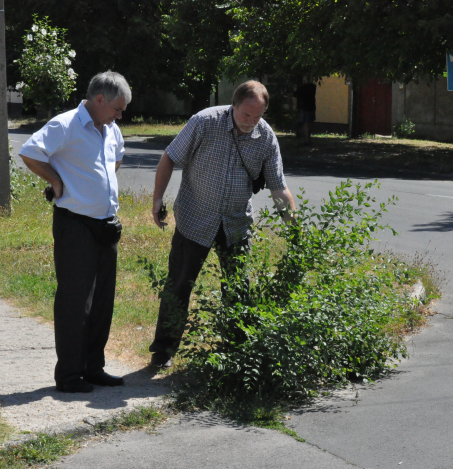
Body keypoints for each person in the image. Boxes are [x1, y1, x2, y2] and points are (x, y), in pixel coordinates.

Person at [149, 80, 296, 368]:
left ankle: (237, 351)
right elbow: (170, 157)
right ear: (234, 105)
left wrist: (295, 228)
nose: (251, 122)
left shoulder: (265, 137)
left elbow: (279, 187)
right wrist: (157, 200)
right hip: (195, 218)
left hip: (236, 224)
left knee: (238, 289)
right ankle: (163, 350)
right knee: (179, 284)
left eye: (258, 116)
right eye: (246, 115)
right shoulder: (204, 122)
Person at [19, 71, 130, 393]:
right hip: (75, 224)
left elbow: (116, 162)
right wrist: (57, 182)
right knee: (74, 302)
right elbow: (30, 152)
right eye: (117, 108)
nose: (120, 115)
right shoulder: (65, 125)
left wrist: (98, 187)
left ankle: (93, 368)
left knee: (101, 303)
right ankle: (68, 375)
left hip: (106, 225)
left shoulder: (111, 130)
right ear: (99, 100)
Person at [293, 77, 317, 145]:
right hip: (312, 107)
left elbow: (295, 94)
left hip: (305, 107)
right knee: (309, 123)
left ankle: (307, 140)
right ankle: (308, 139)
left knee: (306, 124)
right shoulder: (313, 87)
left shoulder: (304, 88)